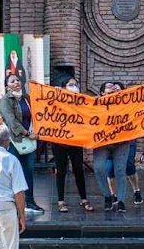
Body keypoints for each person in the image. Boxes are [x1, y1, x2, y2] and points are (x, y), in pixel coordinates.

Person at [0, 74, 43, 214]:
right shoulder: (6, 100)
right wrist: (26, 133)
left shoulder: (26, 99)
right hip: (14, 140)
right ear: (7, 86)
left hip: (29, 140)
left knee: (28, 170)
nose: (17, 82)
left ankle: (30, 202)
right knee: (13, 172)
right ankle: (12, 202)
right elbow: (11, 121)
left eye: (18, 80)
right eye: (13, 81)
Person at [50, 74, 93, 213]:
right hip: (59, 142)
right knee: (61, 171)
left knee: (78, 170)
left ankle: (84, 199)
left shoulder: (80, 103)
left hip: (75, 140)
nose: (74, 87)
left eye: (75, 85)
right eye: (70, 85)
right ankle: (61, 201)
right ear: (63, 88)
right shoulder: (56, 102)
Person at [93, 81, 132, 213]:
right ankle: (107, 196)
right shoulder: (94, 105)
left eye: (114, 91)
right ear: (102, 93)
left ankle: (120, 200)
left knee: (120, 170)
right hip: (102, 143)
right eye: (108, 90)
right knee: (98, 168)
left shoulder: (125, 104)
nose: (112, 92)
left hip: (121, 143)